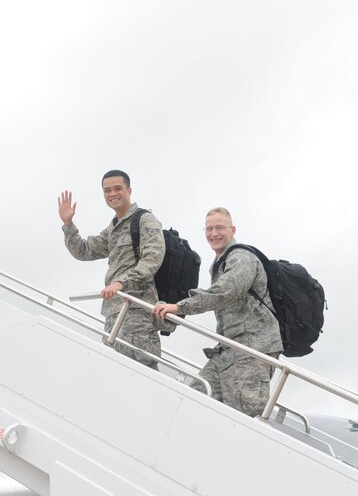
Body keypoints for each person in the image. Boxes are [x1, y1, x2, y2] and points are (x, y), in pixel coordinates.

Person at [153, 207, 281, 417]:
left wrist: (181, 306)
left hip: (252, 349)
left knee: (242, 419)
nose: (214, 234)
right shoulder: (220, 262)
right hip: (228, 349)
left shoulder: (241, 257)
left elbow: (225, 291)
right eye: (209, 229)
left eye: (220, 228)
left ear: (233, 230)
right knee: (194, 399)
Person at [58, 170, 165, 370]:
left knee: (141, 375)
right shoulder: (113, 228)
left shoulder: (144, 220)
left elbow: (153, 258)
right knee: (115, 374)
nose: (112, 194)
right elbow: (84, 251)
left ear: (129, 190)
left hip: (136, 311)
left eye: (118, 188)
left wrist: (121, 282)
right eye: (107, 190)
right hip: (114, 313)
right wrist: (68, 224)